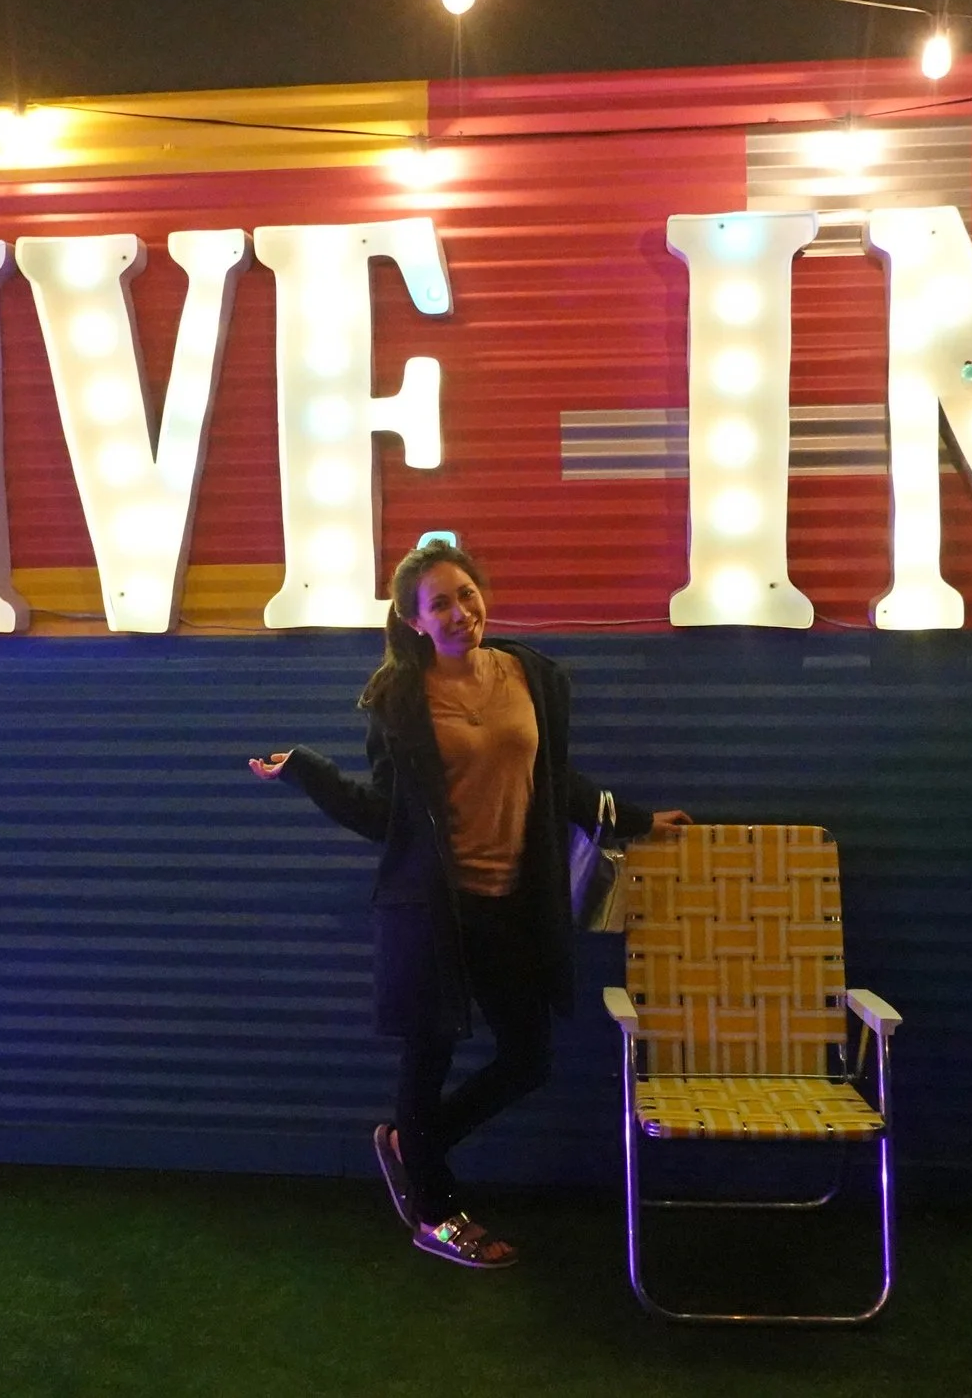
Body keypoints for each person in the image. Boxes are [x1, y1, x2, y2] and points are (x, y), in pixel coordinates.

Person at [250, 538, 689, 1269]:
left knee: (527, 1058)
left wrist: (636, 820)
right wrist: (309, 772)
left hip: (516, 903)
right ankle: (436, 1213)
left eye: (467, 594)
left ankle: (413, 1146)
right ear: (414, 620)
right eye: (441, 604)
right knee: (429, 1056)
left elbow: (553, 778)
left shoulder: (531, 675)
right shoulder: (399, 702)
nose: (460, 612)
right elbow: (385, 815)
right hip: (436, 910)